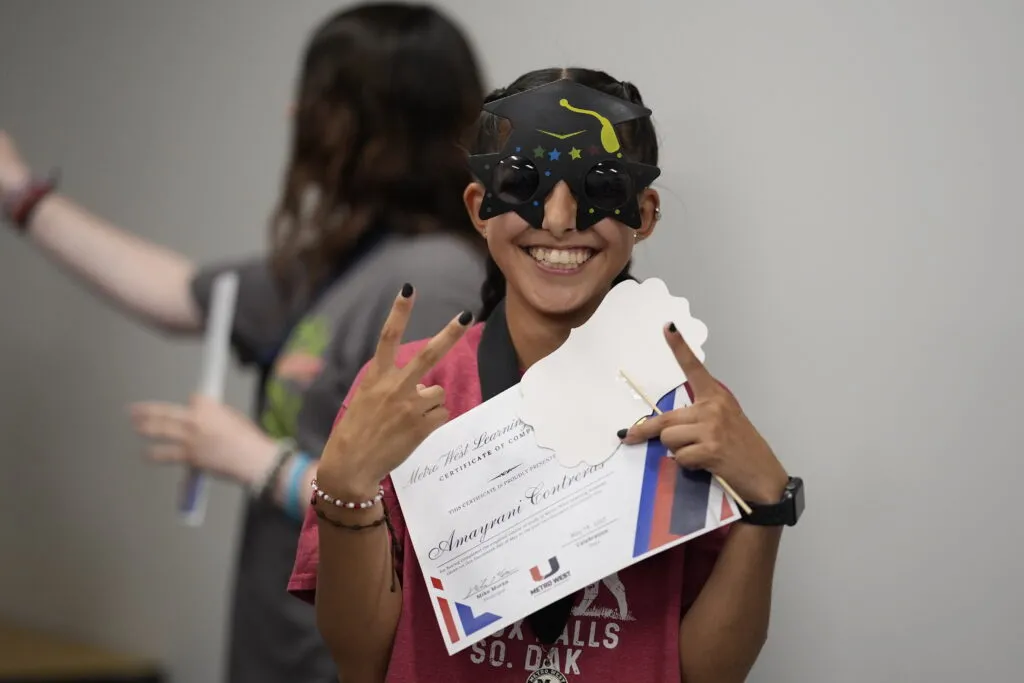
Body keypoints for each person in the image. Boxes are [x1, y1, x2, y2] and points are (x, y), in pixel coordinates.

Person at [0, 3, 489, 682]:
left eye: (318, 98)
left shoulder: (434, 280)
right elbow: (178, 293)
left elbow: (430, 512)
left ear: (377, 119)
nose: (295, 114)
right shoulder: (344, 264)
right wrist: (19, 195)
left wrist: (255, 459)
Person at [288, 67, 805, 682]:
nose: (560, 219)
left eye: (601, 185)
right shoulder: (406, 396)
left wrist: (768, 506)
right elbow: (360, 659)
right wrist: (345, 484)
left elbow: (706, 674)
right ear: (480, 208)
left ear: (645, 213)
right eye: (523, 182)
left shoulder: (689, 408)